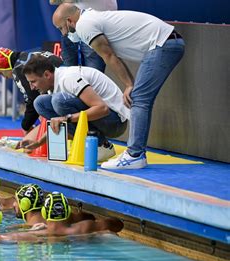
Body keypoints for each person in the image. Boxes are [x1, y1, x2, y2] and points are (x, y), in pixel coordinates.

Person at [53, 3, 185, 169]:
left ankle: (135, 155)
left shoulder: (84, 25)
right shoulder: (89, 17)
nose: (63, 34)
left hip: (163, 43)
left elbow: (109, 56)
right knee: (140, 98)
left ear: (70, 20)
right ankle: (136, 153)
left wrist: (129, 84)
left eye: (61, 28)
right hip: (166, 41)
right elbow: (112, 56)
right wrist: (129, 83)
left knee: (139, 98)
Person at [21, 55, 129, 161]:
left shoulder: (68, 78)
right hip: (103, 117)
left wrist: (66, 118)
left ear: (47, 74)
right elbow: (56, 122)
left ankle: (102, 146)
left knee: (59, 101)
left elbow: (102, 109)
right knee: (40, 103)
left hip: (116, 122)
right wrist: (39, 143)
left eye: (33, 81)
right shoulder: (53, 84)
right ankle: (85, 143)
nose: (32, 87)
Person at [0, 47, 63, 134]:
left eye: (1, 73)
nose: (4, 77)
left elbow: (33, 100)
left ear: (6, 65)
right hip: (69, 86)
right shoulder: (29, 55)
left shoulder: (20, 69)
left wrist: (25, 126)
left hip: (63, 96)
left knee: (39, 105)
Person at [50, 0, 119, 73]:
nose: (63, 33)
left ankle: (129, 84)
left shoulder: (88, 24)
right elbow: (52, 1)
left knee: (93, 71)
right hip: (71, 21)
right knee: (70, 69)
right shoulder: (67, 26)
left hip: (93, 24)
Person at [33, 192, 123, 236]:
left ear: (44, 213)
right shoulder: (83, 228)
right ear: (68, 211)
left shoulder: (35, 234)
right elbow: (118, 225)